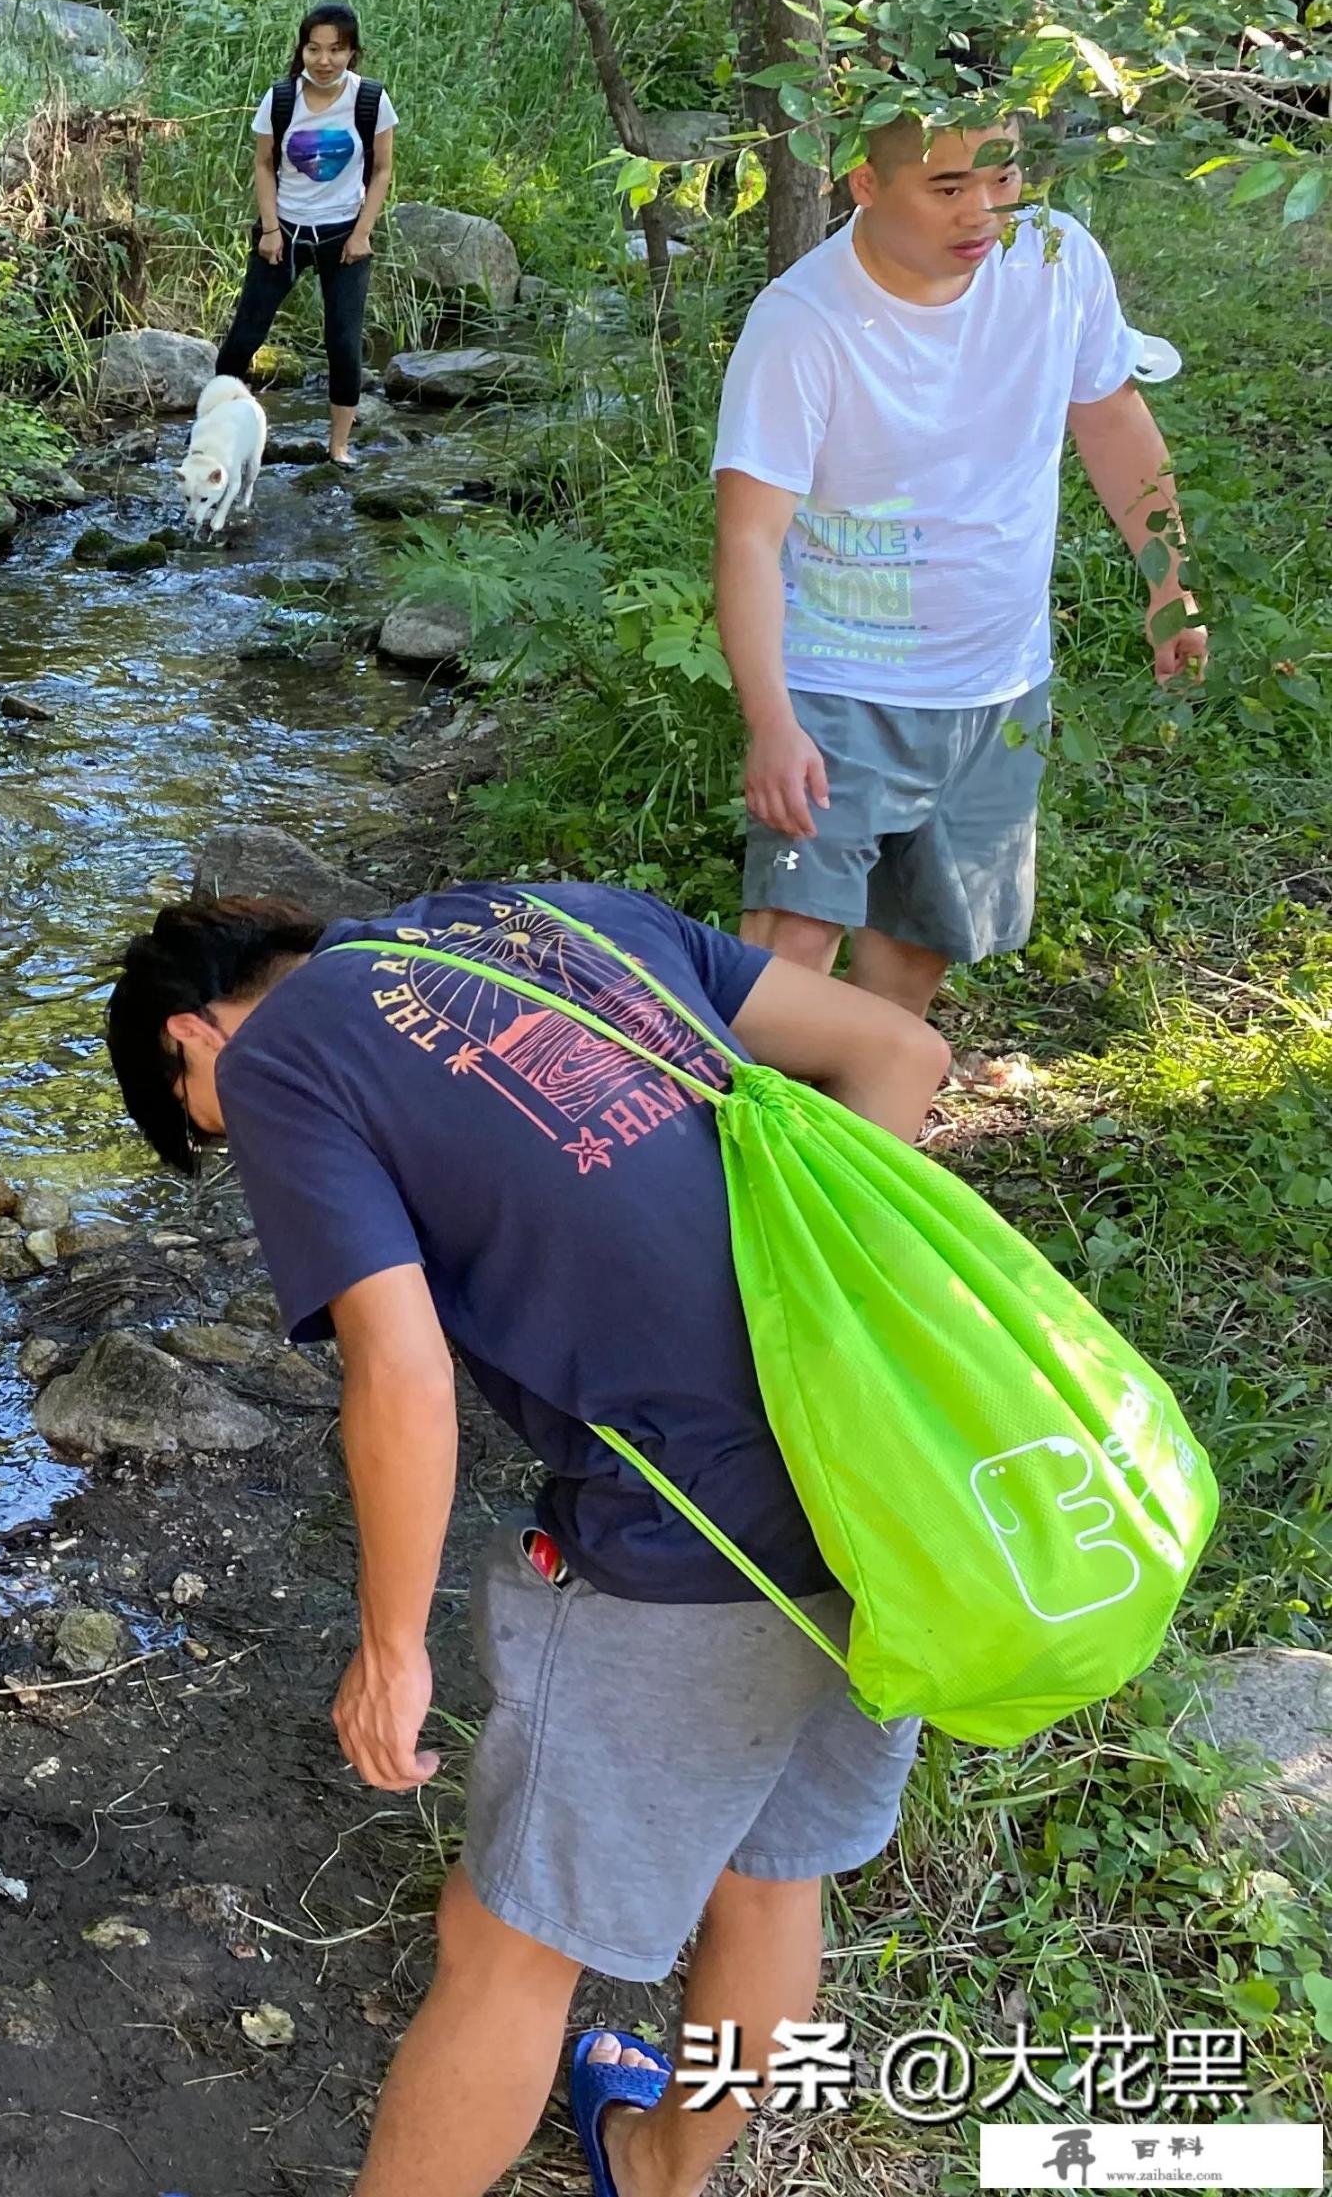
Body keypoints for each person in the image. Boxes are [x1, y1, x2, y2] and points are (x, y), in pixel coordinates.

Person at [107, 880, 954, 2197]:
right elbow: (902, 1052)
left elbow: (401, 1372)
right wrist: (820, 1323)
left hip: (688, 1522)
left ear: (189, 1040)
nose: (234, 1151)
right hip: (881, 1473)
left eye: (201, 1135)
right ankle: (659, 2166)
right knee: (772, 1881)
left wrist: (391, 1645)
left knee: (507, 1944)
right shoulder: (536, 914)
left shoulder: (275, 1057)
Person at [714, 118, 1203, 1018]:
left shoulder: (1053, 258)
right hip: (837, 679)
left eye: (1002, 178)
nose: (983, 212)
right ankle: (737, 1154)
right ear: (865, 185)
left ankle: (871, 1147)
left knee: (914, 953)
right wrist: (771, 718)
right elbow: (748, 534)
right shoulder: (802, 323)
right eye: (946, 189)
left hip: (996, 680)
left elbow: (1110, 418)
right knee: (787, 954)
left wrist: (1170, 584)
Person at [217, 0, 397, 466]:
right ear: (302, 49)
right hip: (286, 233)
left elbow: (381, 171)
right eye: (314, 48)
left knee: (343, 342)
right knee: (244, 338)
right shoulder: (280, 99)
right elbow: (262, 163)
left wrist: (363, 232)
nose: (324, 60)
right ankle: (215, 431)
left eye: (336, 50)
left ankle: (338, 446)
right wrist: (271, 229)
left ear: (353, 52)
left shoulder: (370, 99)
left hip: (345, 237)